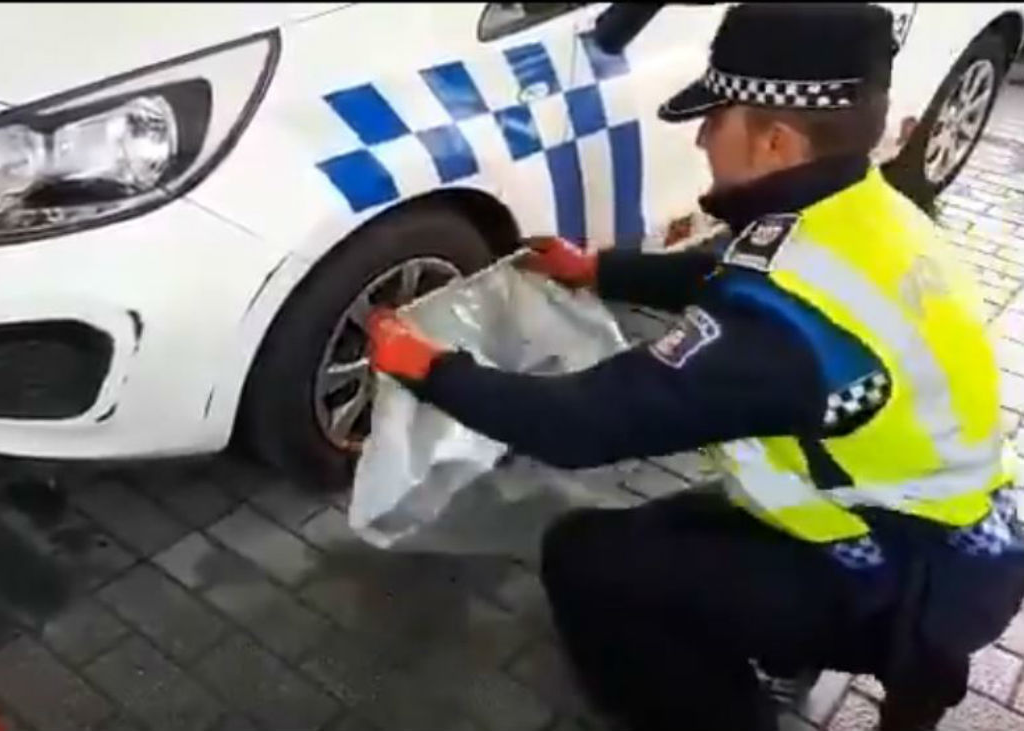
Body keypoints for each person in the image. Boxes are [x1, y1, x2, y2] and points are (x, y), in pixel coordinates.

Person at [364, 4, 1024, 731]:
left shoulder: (783, 331)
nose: (703, 137)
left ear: (775, 140)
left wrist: (425, 364)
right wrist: (602, 271)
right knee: (661, 536)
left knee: (586, 558)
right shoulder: (866, 212)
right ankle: (893, 670)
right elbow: (735, 271)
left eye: (716, 119)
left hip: (898, 572)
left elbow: (577, 425)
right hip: (955, 530)